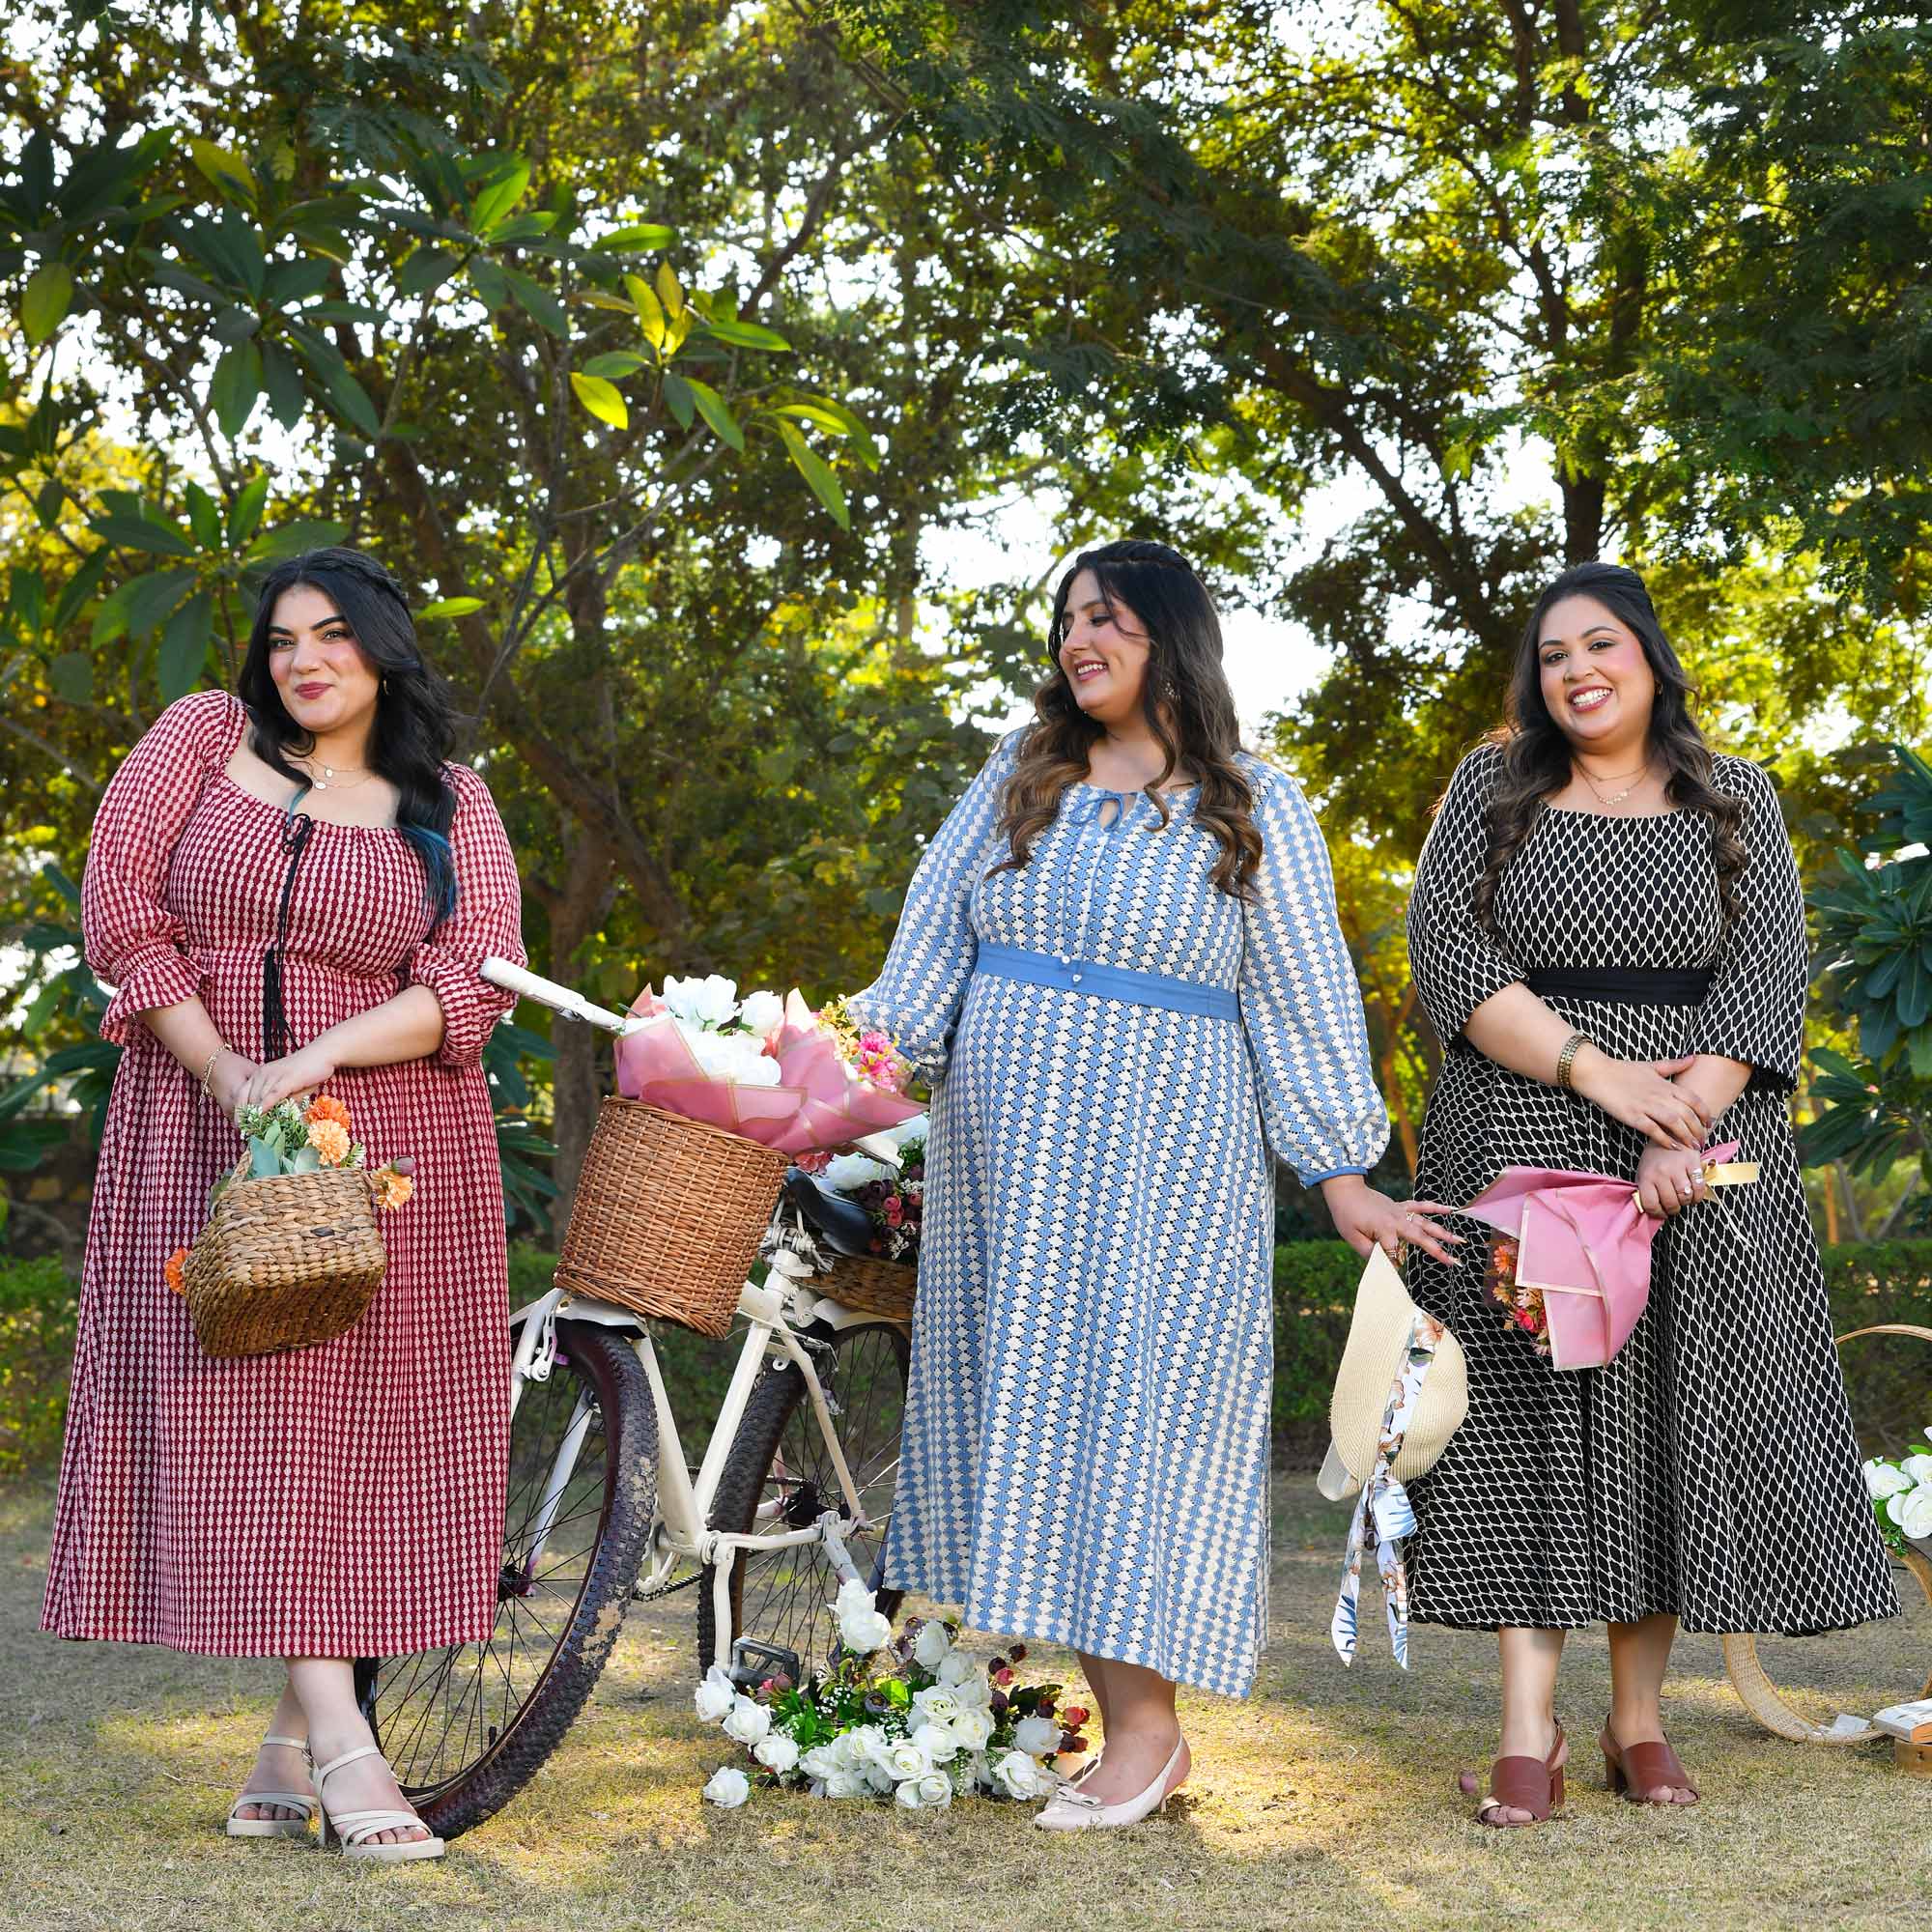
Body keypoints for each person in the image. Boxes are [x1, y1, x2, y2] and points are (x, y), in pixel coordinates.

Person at [853, 538, 1452, 1831]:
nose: (1079, 640)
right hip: (1004, 1166)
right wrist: (844, 1078)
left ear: (1170, 637)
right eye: (1068, 620)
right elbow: (929, 942)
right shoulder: (1020, 779)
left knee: (1138, 1427)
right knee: (1033, 1420)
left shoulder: (1252, 802)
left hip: (1164, 1172)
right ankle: (1118, 1725)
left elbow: (1301, 995)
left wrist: (1340, 1170)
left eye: (1107, 619)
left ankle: (1148, 1734)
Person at [42, 546, 526, 1862]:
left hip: (393, 1148)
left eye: (332, 635)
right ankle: (347, 1748)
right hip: (198, 1124)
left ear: (384, 649)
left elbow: (473, 981)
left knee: (348, 1440)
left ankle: (290, 1743)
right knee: (253, 1420)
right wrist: (227, 1072)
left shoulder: (452, 804)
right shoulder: (203, 740)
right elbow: (122, 911)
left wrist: (312, 1060)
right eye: (282, 639)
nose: (304, 660)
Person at [1402, 559, 1897, 1827]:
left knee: (1665, 1423)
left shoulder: (1736, 795)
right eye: (1554, 654)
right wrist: (1601, 1074)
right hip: (1521, 1124)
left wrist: (1685, 1121)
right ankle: (1528, 1730)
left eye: (1601, 644)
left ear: (1650, 658)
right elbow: (1449, 956)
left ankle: (1638, 1721)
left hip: (1696, 1147)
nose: (1577, 670)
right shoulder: (1489, 792)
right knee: (1524, 1427)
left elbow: (1768, 967)